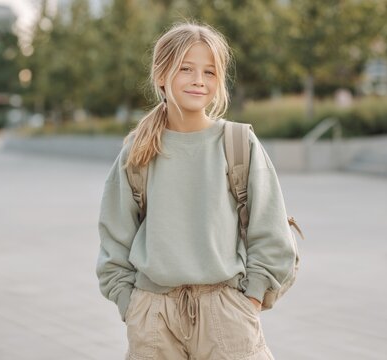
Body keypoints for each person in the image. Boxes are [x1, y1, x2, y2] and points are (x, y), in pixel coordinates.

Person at [96, 21, 298, 360]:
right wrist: (130, 304)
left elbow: (271, 229)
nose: (198, 80)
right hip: (154, 317)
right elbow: (115, 237)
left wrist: (250, 299)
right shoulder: (138, 151)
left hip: (227, 311)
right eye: (186, 69)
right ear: (161, 75)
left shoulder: (238, 142)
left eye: (209, 72)